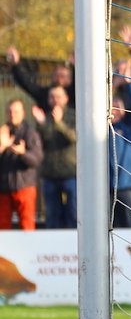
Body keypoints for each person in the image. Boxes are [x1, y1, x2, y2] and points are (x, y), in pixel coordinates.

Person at [32, 85, 77, 229]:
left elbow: (73, 137)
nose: (55, 100)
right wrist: (42, 124)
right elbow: (42, 142)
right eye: (51, 97)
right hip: (50, 173)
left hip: (71, 172)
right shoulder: (46, 117)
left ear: (66, 98)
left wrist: (59, 123)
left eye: (58, 96)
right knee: (52, 215)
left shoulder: (74, 116)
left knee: (73, 214)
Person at [0, 98, 44, 230]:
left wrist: (22, 153)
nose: (13, 115)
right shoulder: (3, 132)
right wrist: (3, 146)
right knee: (3, 227)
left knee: (27, 225)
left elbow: (36, 159)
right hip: (3, 188)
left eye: (16, 112)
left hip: (24, 186)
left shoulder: (30, 134)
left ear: (23, 113)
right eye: (10, 112)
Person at [109, 87, 131, 228]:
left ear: (124, 111)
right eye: (111, 107)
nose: (114, 110)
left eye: (117, 107)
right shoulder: (99, 129)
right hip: (105, 188)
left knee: (130, 228)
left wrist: (128, 84)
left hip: (127, 186)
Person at [5, 46, 75, 111]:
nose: (59, 79)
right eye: (56, 75)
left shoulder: (74, 94)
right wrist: (16, 64)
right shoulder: (44, 94)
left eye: (62, 76)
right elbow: (26, 83)